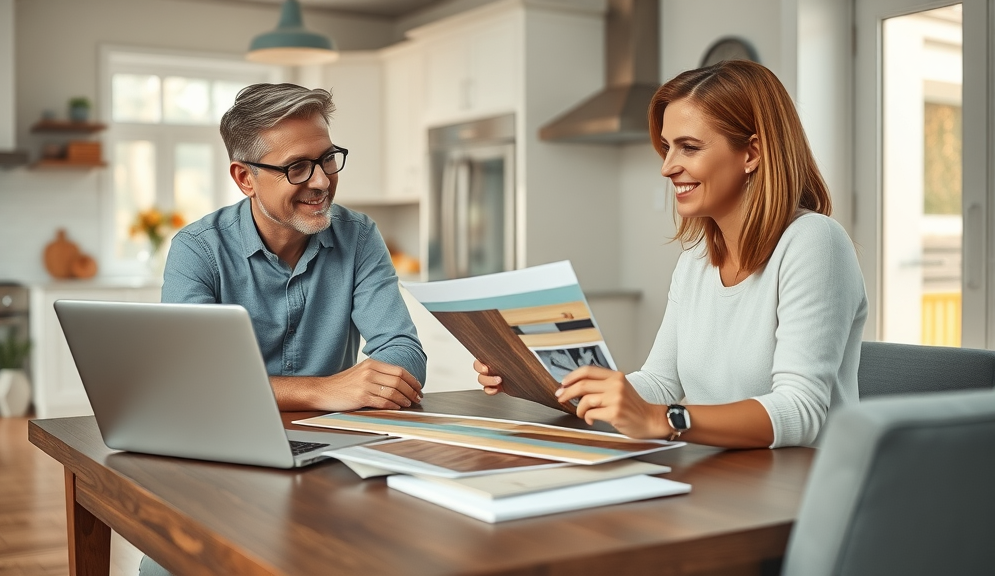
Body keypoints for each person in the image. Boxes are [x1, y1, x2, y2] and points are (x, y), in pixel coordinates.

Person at [475, 60, 867, 449]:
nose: (667, 167)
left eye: (689, 148)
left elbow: (800, 411)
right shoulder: (697, 260)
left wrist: (664, 420)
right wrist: (544, 381)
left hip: (800, 487)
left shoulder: (815, 242)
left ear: (751, 153)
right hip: (720, 475)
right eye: (666, 148)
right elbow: (660, 383)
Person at [141, 84, 428, 575]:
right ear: (244, 178)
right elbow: (196, 387)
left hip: (331, 454)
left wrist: (363, 385)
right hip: (224, 454)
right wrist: (326, 391)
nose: (321, 181)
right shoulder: (197, 249)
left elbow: (403, 350)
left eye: (328, 159)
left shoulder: (359, 236)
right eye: (297, 167)